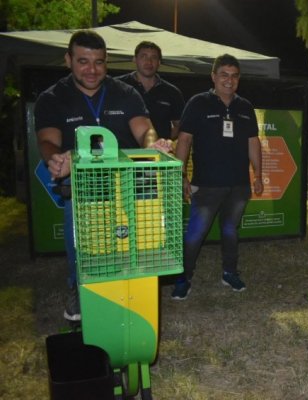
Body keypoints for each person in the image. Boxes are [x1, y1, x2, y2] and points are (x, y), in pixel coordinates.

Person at [34, 30, 171, 321]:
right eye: (83, 61)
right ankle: (78, 289)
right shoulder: (53, 97)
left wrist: (153, 144)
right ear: (68, 59)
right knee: (83, 246)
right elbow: (48, 141)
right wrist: (56, 159)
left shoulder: (125, 92)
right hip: (83, 188)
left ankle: (127, 296)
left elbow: (144, 129)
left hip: (125, 186)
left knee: (129, 242)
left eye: (99, 62)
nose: (92, 70)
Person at [171, 54, 263, 300]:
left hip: (239, 185)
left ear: (238, 79)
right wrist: (181, 175)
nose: (229, 80)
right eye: (224, 74)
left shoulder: (245, 107)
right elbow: (184, 140)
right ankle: (183, 278)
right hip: (207, 185)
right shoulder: (198, 103)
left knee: (231, 231)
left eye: (234, 76)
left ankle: (229, 273)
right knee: (194, 235)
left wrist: (258, 174)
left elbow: (253, 142)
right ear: (213, 76)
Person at [117, 41, 185, 140]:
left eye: (154, 57)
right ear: (134, 59)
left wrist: (163, 140)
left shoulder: (172, 92)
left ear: (159, 63)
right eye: (144, 56)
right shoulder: (118, 86)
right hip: (123, 151)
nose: (149, 62)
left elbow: (180, 125)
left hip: (157, 154)